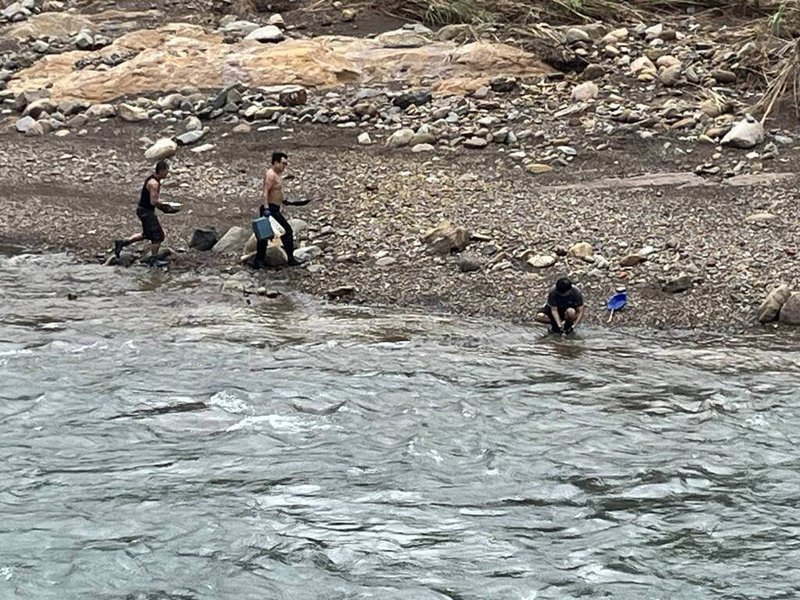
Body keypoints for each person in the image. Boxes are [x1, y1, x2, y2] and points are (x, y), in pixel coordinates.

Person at [113, 160, 175, 266]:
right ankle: (153, 259)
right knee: (158, 236)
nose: (167, 174)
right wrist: (166, 207)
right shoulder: (154, 183)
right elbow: (153, 201)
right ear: (161, 170)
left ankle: (122, 242)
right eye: (166, 171)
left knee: (146, 234)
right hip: (146, 212)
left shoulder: (152, 179)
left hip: (143, 210)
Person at [254, 151, 309, 269]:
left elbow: (276, 192)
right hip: (270, 209)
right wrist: (267, 210)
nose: (285, 166)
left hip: (275, 207)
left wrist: (284, 201)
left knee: (266, 236)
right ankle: (290, 259)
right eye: (283, 163)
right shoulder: (271, 175)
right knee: (285, 232)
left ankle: (259, 261)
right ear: (276, 162)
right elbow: (265, 193)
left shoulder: (277, 174)